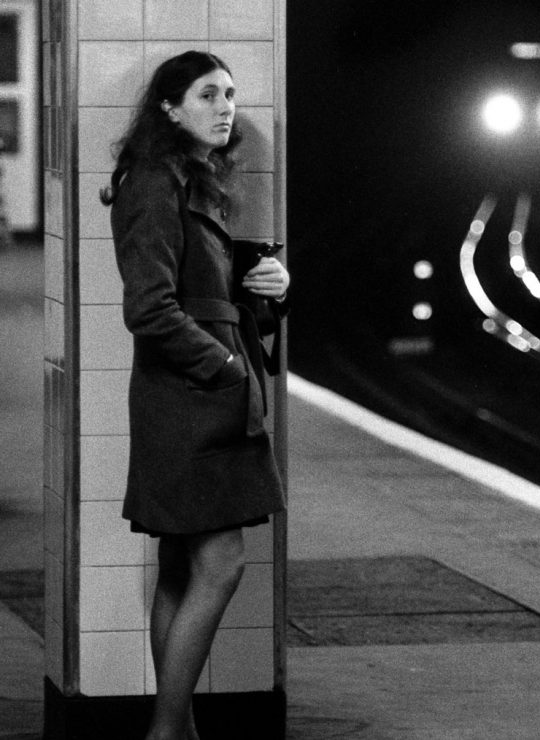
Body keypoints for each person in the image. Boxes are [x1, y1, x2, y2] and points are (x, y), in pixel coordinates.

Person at [100, 51, 289, 740]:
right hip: (192, 399)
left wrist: (270, 287)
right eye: (207, 95)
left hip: (187, 394)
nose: (225, 107)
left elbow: (204, 288)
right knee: (222, 561)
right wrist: (227, 367)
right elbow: (149, 308)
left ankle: (178, 731)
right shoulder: (156, 182)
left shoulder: (188, 178)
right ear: (169, 107)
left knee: (181, 568)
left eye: (230, 94)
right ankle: (165, 732)